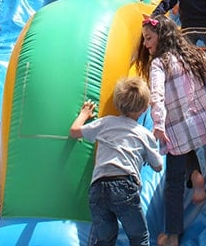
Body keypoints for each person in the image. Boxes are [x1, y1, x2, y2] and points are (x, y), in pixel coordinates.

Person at [134, 16, 206, 246]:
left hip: (175, 127)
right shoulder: (188, 54)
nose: (145, 44)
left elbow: (157, 95)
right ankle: (196, 177)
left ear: (161, 37)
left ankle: (172, 235)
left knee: (172, 184)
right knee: (183, 148)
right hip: (196, 122)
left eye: (149, 38)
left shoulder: (159, 63)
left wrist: (158, 123)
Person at [69, 77, 163, 246]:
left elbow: (74, 132)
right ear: (144, 108)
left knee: (104, 239)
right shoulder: (144, 134)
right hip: (124, 187)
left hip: (98, 187)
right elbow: (158, 166)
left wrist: (84, 114)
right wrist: (150, 147)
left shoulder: (105, 123)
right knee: (139, 238)